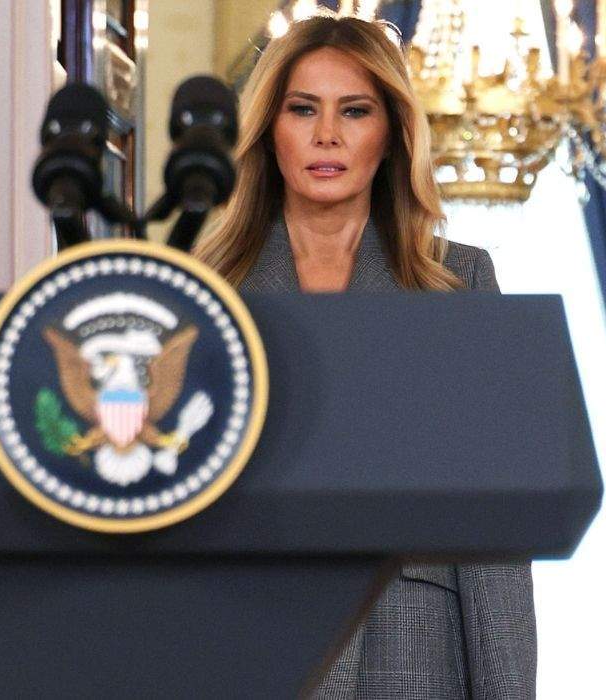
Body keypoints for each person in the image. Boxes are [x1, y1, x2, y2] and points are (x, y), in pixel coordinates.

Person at [192, 13, 536, 700]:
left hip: (413, 653)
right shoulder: (203, 293)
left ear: (391, 133)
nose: (327, 135)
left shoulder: (460, 284)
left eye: (354, 111)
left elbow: (492, 537)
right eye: (302, 110)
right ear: (269, 129)